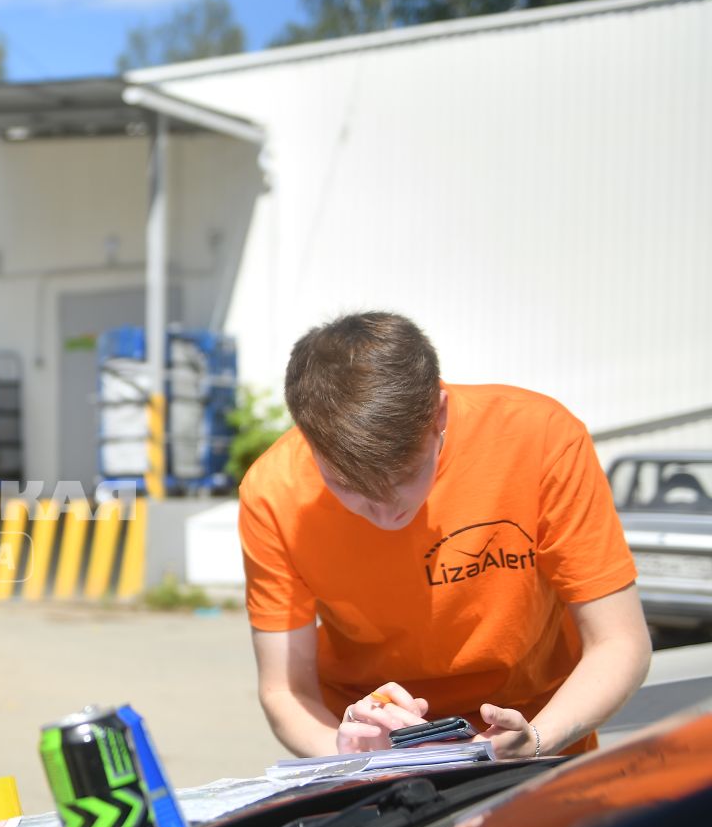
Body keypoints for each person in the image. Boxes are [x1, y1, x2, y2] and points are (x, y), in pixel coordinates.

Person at [239, 311, 651, 759]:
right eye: (346, 486)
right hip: (373, 748)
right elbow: (286, 690)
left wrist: (535, 738)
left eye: (406, 476)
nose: (384, 511)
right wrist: (346, 754)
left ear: (439, 414)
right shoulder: (273, 491)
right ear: (308, 439)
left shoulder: (540, 439)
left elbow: (621, 642)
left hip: (534, 725)